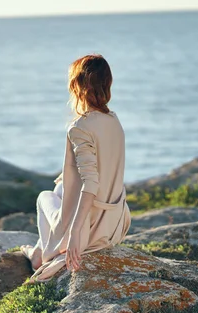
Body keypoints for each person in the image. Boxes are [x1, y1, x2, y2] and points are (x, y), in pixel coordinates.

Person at [21, 54, 131, 282]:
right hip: (113, 221)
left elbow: (91, 183)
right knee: (61, 189)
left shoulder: (79, 127)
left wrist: (73, 234)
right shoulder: (113, 120)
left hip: (89, 228)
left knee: (44, 196)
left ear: (77, 86)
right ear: (107, 84)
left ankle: (40, 257)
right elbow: (102, 164)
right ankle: (41, 250)